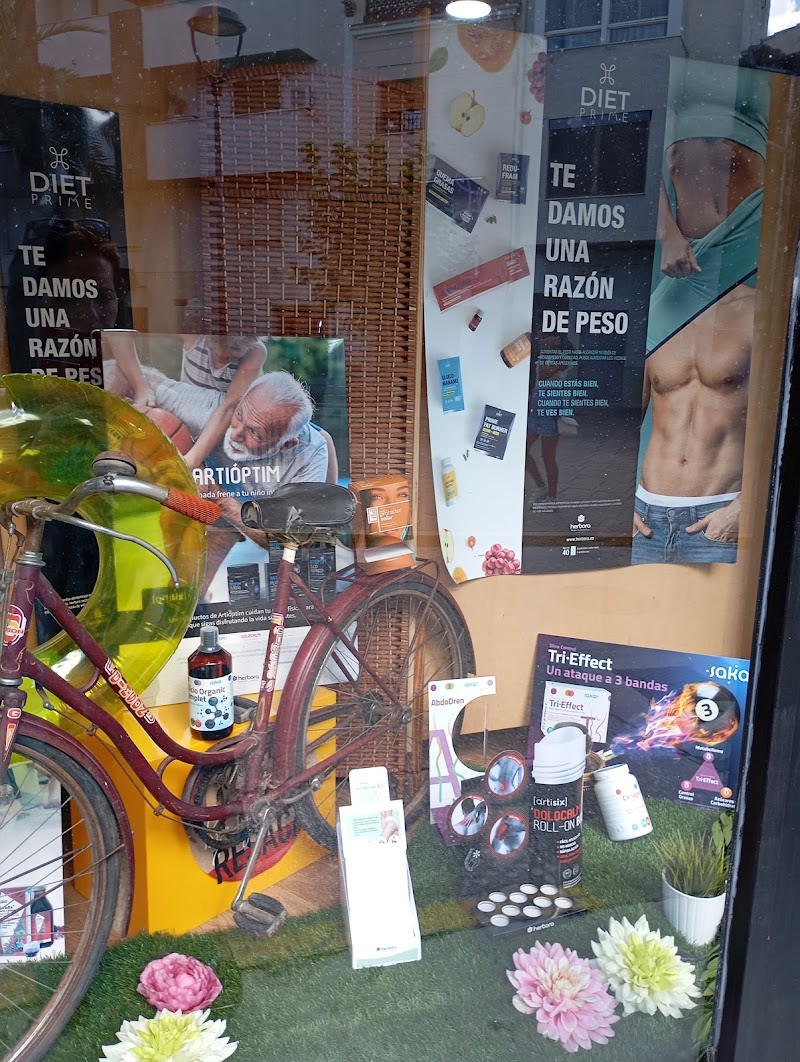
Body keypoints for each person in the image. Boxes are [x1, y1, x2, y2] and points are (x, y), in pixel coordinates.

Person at [633, 62, 769, 564]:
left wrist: (747, 507)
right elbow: (621, 420)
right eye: (684, 167)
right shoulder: (655, 312)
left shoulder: (758, 312)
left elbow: (782, 423)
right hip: (646, 517)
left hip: (717, 521)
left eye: (727, 167)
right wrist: (616, 503)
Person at [102, 330, 268, 471]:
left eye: (235, 348)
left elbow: (230, 406)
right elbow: (117, 332)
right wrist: (140, 387)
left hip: (225, 415)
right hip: (194, 407)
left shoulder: (256, 352)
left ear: (251, 344)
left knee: (113, 373)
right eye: (216, 342)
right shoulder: (194, 334)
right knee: (111, 372)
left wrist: (191, 460)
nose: (222, 353)